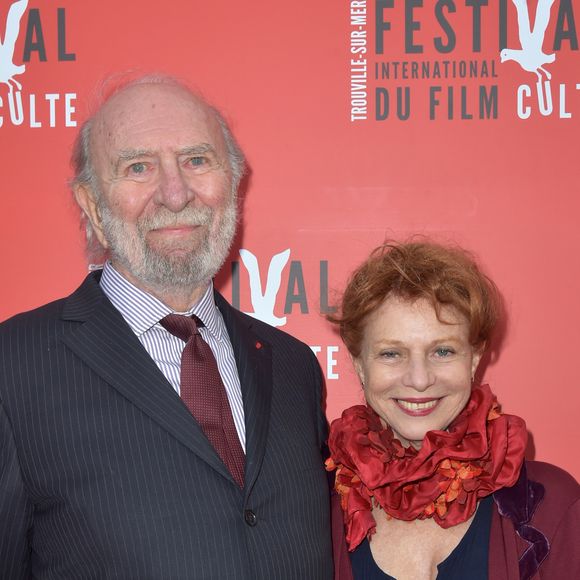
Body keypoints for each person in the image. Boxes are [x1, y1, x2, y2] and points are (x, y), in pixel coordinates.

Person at [0, 75, 333, 579]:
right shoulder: (13, 366)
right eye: (138, 167)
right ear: (92, 204)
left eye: (197, 160)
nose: (175, 194)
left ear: (234, 184)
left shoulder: (292, 366)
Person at [326, 241, 579, 580]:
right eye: (391, 353)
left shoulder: (551, 506)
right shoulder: (316, 505)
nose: (419, 380)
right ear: (359, 364)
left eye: (442, 351)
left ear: (474, 358)